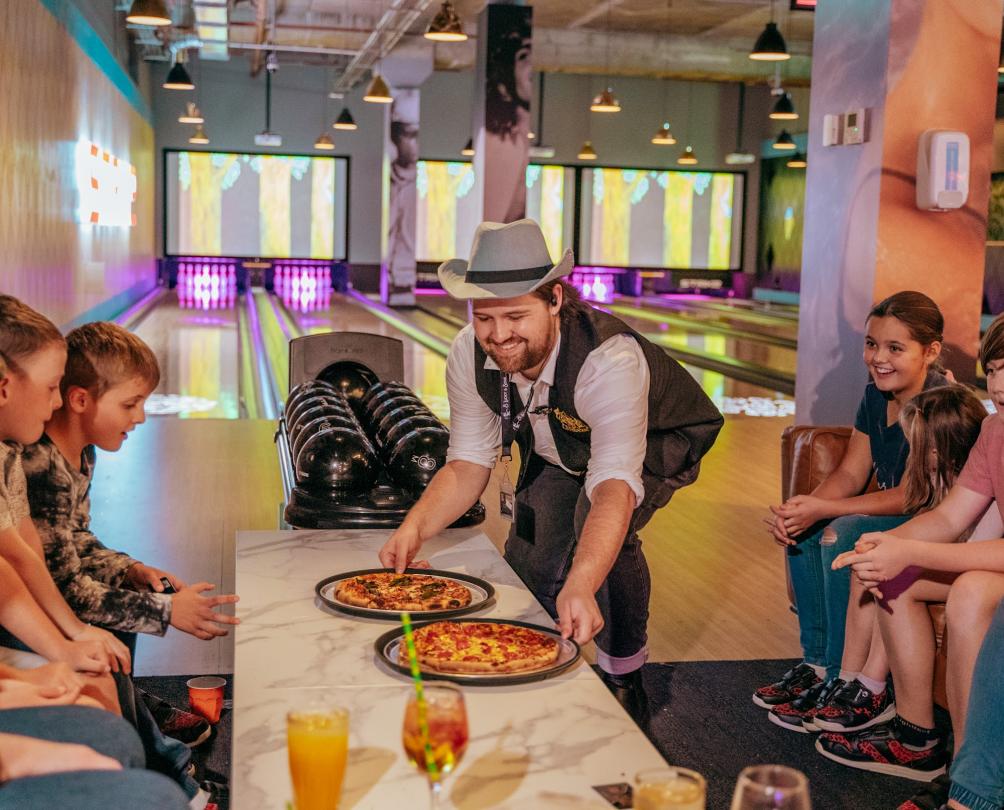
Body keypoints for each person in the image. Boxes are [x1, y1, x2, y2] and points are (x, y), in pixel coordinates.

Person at [379, 218, 723, 716]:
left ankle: (624, 675)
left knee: (600, 535)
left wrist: (581, 583)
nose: (498, 335)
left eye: (516, 316)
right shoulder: (467, 352)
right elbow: (468, 463)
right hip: (560, 447)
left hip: (656, 441)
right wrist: (415, 528)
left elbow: (612, 489)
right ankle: (528, 664)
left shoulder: (609, 361)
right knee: (531, 552)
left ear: (555, 300)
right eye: (485, 318)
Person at [22, 321, 240, 747]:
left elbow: (74, 542)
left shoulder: (78, 451)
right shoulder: (43, 468)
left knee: (119, 592)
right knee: (114, 613)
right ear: (80, 399)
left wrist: (130, 569)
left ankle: (132, 706)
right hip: (21, 620)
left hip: (44, 600)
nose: (141, 417)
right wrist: (166, 611)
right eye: (130, 404)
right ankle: (148, 743)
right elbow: (63, 589)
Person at [819, 313, 1004, 800]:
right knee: (894, 577)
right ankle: (921, 739)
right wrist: (892, 544)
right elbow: (947, 518)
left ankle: (970, 781)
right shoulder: (996, 432)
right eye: (995, 369)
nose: (1000, 385)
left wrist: (909, 548)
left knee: (970, 589)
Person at [756, 291, 949, 732]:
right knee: (807, 529)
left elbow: (912, 494)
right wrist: (805, 508)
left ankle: (852, 682)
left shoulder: (940, 403)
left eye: (895, 348)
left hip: (931, 522)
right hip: (898, 513)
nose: (878, 358)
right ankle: (819, 666)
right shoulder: (874, 397)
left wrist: (827, 509)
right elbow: (850, 471)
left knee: (843, 532)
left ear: (931, 352)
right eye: (871, 344)